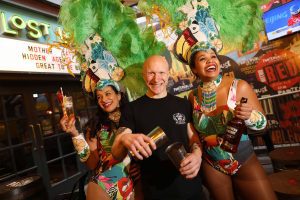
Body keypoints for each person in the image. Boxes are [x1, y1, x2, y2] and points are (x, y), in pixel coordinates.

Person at [188, 48, 277, 200]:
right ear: (194, 69)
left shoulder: (239, 86)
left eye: (213, 57)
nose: (210, 60)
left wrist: (250, 116)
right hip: (212, 165)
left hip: (244, 161)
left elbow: (263, 126)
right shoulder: (193, 96)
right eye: (203, 58)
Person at [112, 55, 204, 200]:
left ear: (168, 74)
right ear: (143, 75)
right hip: (155, 192)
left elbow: (193, 138)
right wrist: (124, 138)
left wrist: (197, 156)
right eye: (151, 73)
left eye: (161, 73)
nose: (156, 79)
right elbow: (116, 154)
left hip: (190, 187)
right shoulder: (132, 109)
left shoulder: (183, 104)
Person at [60, 80, 136, 200]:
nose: (104, 100)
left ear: (119, 95)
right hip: (107, 184)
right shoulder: (95, 126)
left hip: (137, 182)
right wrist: (75, 134)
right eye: (99, 97)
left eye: (108, 93)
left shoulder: (134, 118)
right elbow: (92, 163)